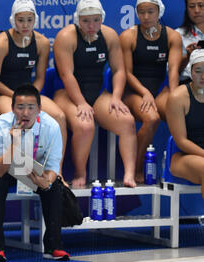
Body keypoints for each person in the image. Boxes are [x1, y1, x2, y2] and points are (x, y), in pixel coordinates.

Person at [53, 0, 137, 188]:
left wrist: (115, 97)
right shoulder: (66, 37)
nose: (91, 26)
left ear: (102, 19)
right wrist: (81, 102)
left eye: (96, 20)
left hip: (99, 94)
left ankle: (129, 174)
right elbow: (67, 75)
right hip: (67, 94)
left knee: (127, 121)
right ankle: (80, 172)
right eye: (85, 21)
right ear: (77, 20)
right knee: (85, 126)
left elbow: (119, 70)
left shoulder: (109, 36)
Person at [0, 83, 69, 262]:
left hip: (32, 170)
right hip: (5, 168)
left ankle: (54, 246)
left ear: (39, 109)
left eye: (31, 108)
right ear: (12, 108)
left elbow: (53, 164)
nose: (25, 113)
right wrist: (14, 143)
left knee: (54, 187)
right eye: (20, 107)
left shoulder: (51, 126)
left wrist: (46, 181)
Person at [0, 0, 67, 174]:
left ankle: (55, 172)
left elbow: (40, 78)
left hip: (28, 94)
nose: (25, 25)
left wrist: (30, 98)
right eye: (21, 20)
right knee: (14, 116)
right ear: (13, 20)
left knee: (59, 116)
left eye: (29, 20)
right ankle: (22, 171)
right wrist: (18, 98)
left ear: (35, 20)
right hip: (4, 93)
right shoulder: (1, 43)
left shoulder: (42, 43)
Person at [119, 0, 182, 183]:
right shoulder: (128, 36)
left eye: (150, 12)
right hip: (133, 92)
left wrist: (175, 96)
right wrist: (145, 92)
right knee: (152, 118)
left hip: (159, 91)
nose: (146, 17)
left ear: (159, 12)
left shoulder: (172, 37)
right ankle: (136, 167)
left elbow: (173, 72)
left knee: (177, 111)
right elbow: (127, 73)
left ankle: (181, 166)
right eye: (142, 12)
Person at [166, 49, 204, 198]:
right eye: (198, 71)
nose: (203, 77)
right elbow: (181, 141)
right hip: (183, 157)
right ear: (190, 71)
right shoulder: (178, 97)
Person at [176, 0, 204, 84]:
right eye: (192, 6)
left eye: (201, 5)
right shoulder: (178, 35)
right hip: (188, 83)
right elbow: (172, 71)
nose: (197, 10)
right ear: (186, 9)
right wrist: (187, 56)